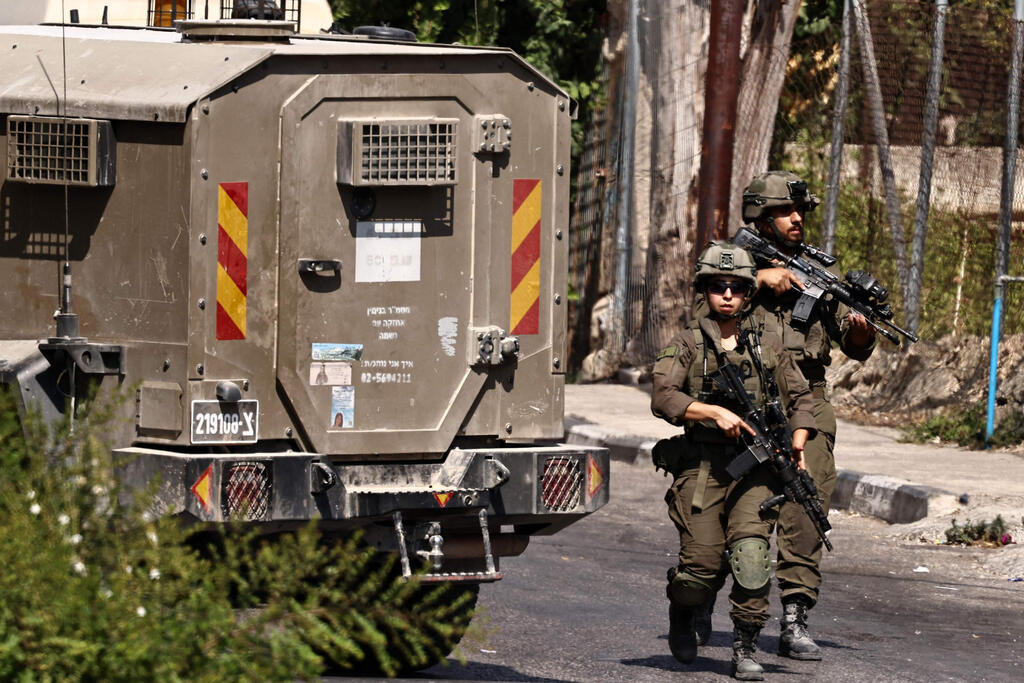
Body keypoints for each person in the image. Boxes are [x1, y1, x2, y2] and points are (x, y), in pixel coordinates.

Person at [651, 242, 817, 681]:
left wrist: (797, 441)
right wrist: (712, 412)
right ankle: (683, 611)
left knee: (751, 554)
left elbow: (801, 397)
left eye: (737, 288)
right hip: (703, 468)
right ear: (704, 290)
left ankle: (744, 646)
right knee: (699, 570)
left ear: (748, 294)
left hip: (756, 469)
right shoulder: (689, 343)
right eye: (717, 287)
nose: (727, 295)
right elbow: (664, 396)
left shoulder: (769, 344)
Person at [741, 170, 876, 661]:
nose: (797, 219)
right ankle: (706, 601)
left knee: (806, 506)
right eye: (784, 211)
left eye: (800, 212)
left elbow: (853, 341)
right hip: (745, 400)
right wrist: (757, 280)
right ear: (759, 215)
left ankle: (795, 616)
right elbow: (703, 307)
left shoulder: (818, 274)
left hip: (809, 401)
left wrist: (860, 329)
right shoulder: (730, 262)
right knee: (736, 512)